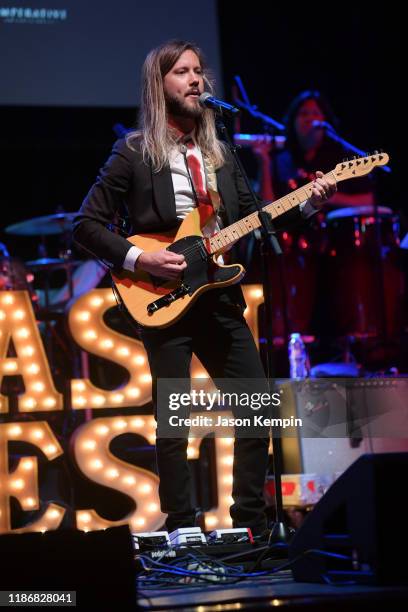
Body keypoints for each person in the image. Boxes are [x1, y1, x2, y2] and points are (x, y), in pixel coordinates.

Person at [73, 41, 336, 536]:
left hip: (217, 293)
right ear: (161, 85)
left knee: (257, 406)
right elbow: (86, 225)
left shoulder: (222, 157)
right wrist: (141, 256)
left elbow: (257, 220)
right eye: (182, 72)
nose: (195, 80)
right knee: (175, 420)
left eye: (198, 71)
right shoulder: (133, 151)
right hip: (161, 295)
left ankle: (249, 526)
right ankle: (181, 525)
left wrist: (309, 204)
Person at [251, 89, 374, 205]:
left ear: (325, 120)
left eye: (315, 113)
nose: (309, 118)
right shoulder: (280, 160)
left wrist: (330, 197)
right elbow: (265, 210)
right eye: (304, 113)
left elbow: (368, 201)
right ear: (293, 121)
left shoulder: (341, 155)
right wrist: (264, 163)